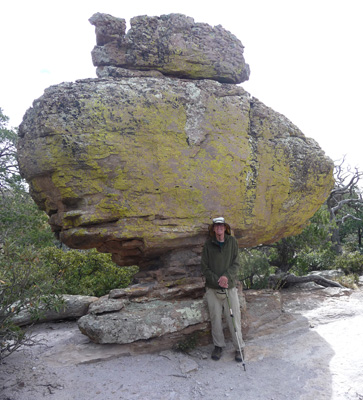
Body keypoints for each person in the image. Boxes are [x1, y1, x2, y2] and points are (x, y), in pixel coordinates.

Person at [201, 216, 245, 362]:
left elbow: (236, 263)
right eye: (216, 226)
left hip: (229, 288)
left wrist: (226, 277)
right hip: (213, 289)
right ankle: (218, 346)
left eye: (221, 226)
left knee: (234, 318)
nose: (219, 228)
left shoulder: (232, 242)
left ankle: (239, 347)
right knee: (215, 319)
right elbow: (204, 267)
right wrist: (217, 280)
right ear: (213, 229)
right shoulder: (208, 245)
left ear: (225, 228)